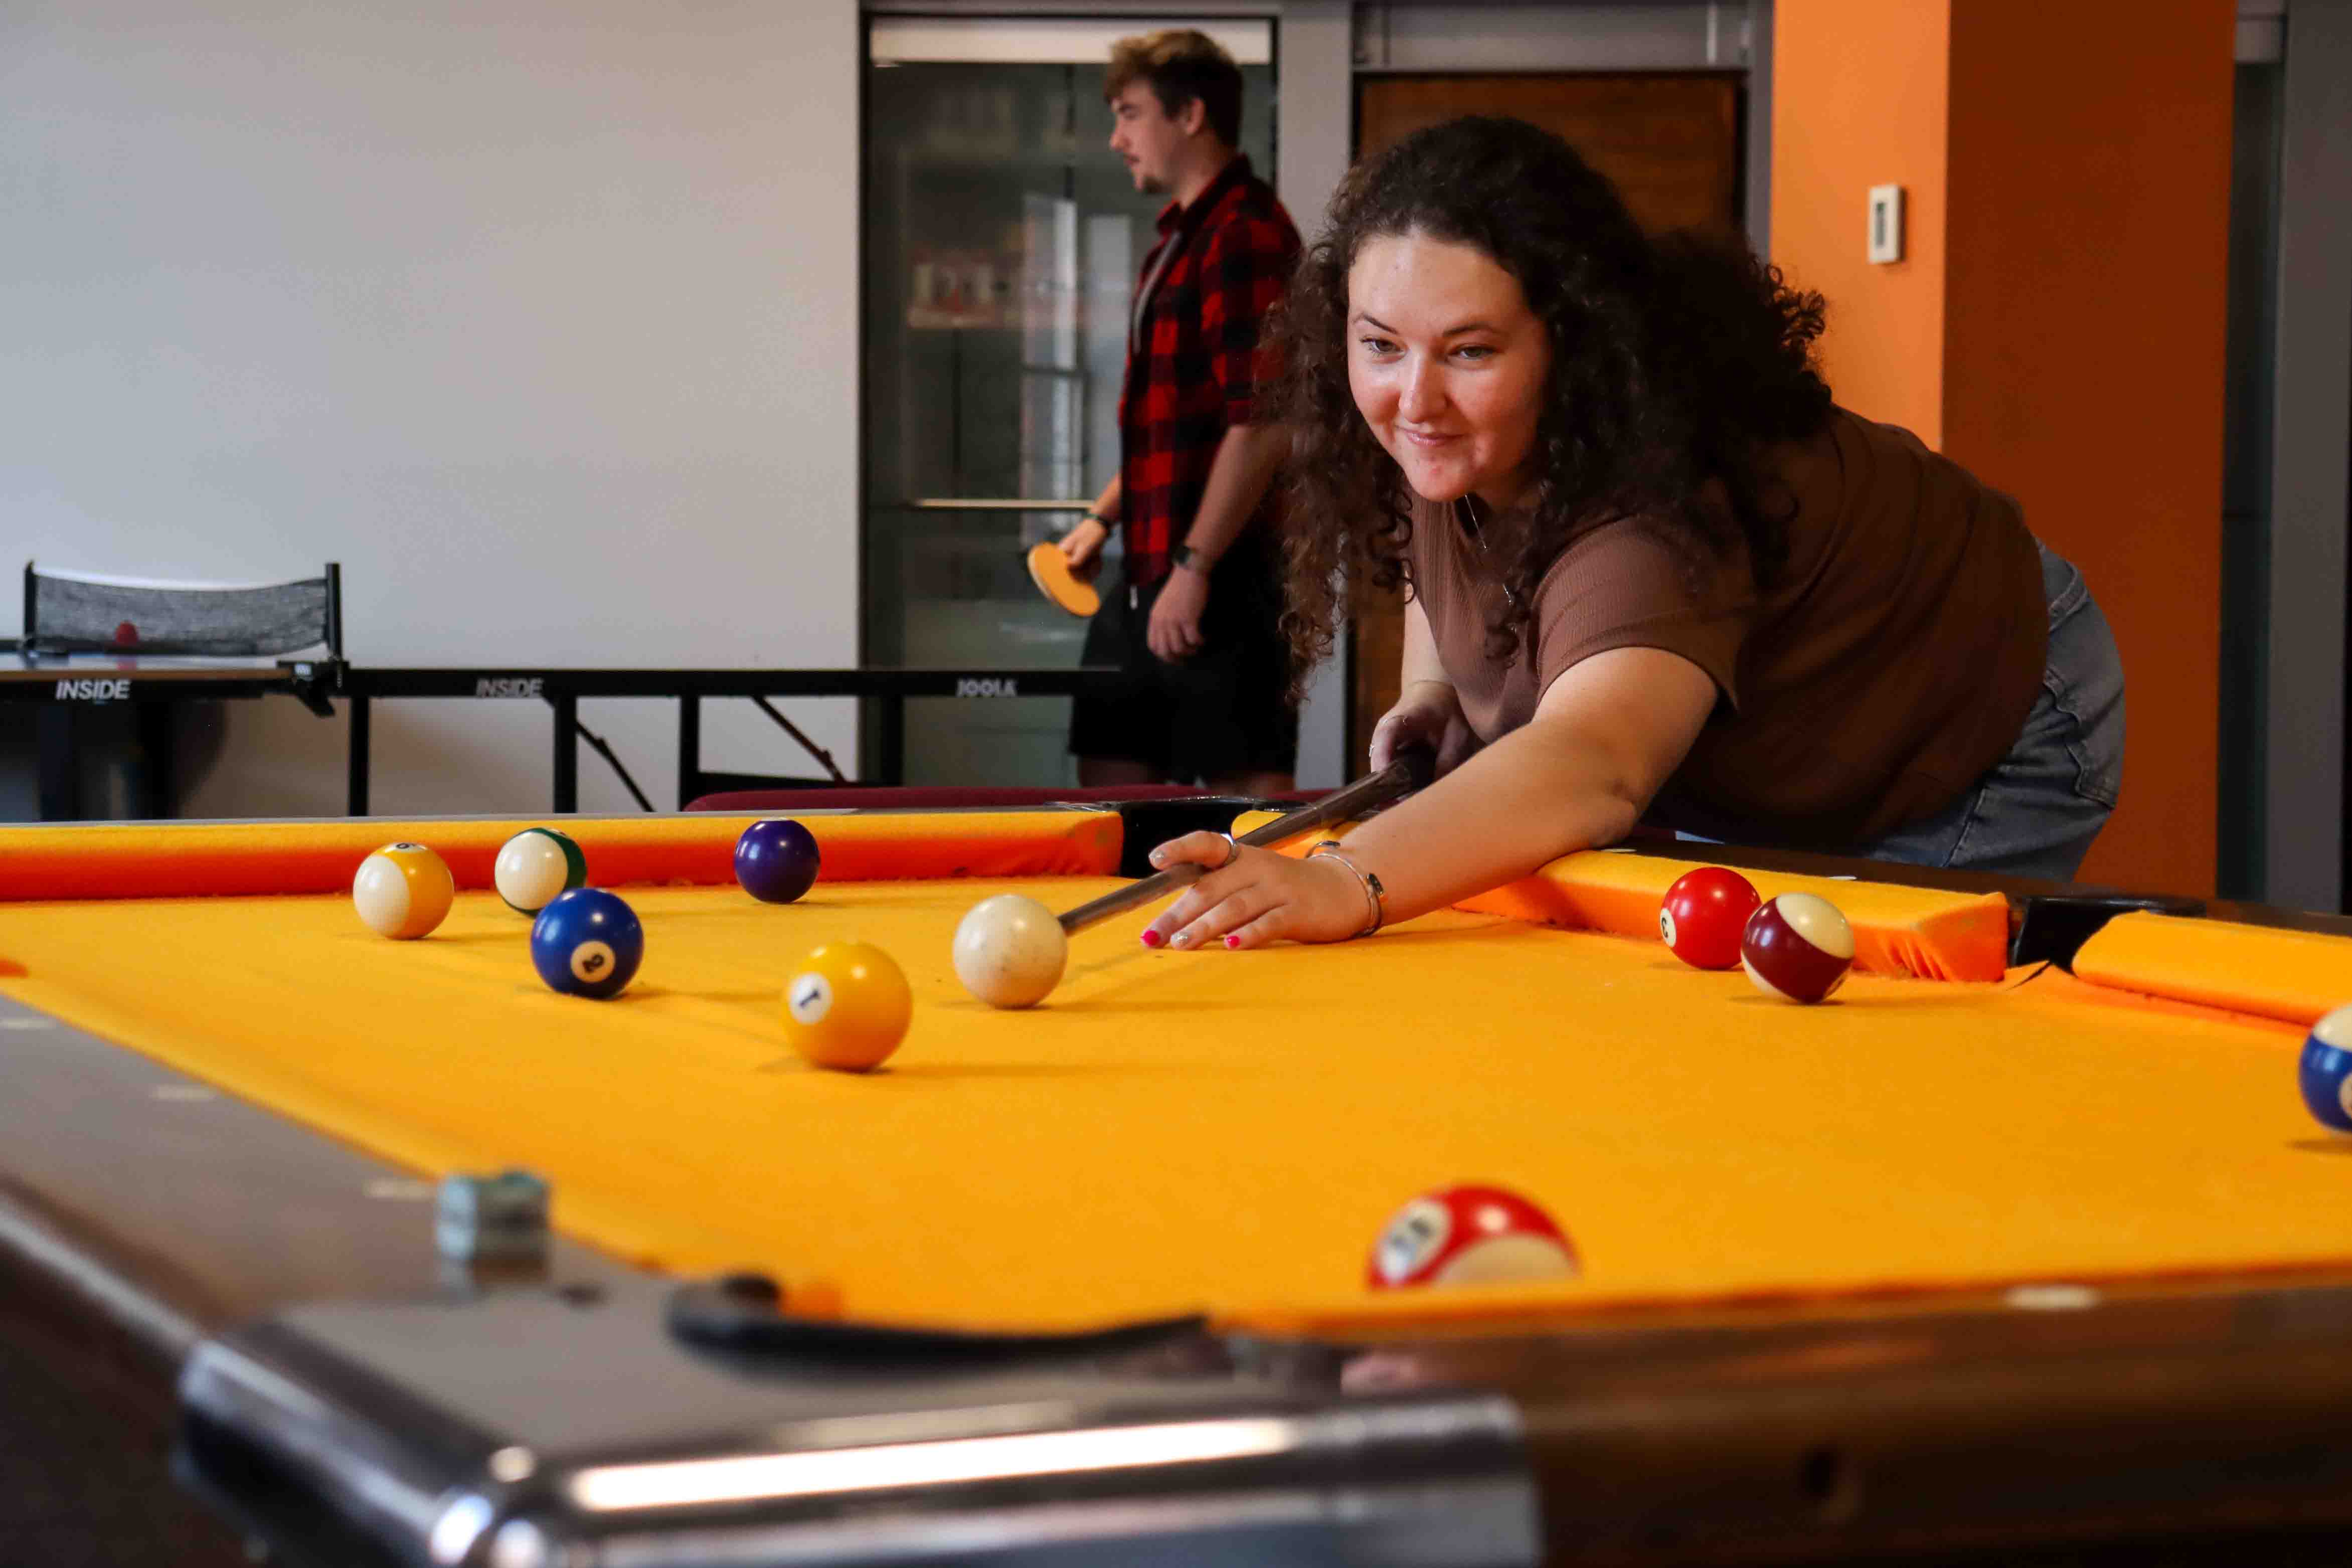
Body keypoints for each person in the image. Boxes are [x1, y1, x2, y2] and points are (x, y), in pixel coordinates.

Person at [1138, 115, 2124, 953]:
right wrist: (1437, 692)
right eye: (1379, 345)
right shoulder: (1449, 430)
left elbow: (1594, 762)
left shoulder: (1653, 501)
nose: (1413, 398)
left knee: (1844, 1027)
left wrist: (1345, 879)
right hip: (1788, 731)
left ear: (1570, 345)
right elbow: (1432, 528)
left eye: (1468, 350)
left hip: (1982, 709)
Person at [1060, 29, 1301, 795]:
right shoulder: (1178, 238)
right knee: (1109, 807)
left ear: (1190, 114)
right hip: (1150, 569)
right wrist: (1103, 518)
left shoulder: (1246, 234)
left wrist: (1194, 569)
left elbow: (1262, 422)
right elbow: (1170, 426)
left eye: (1130, 114)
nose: (1116, 137)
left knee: (1243, 820)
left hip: (1222, 580)